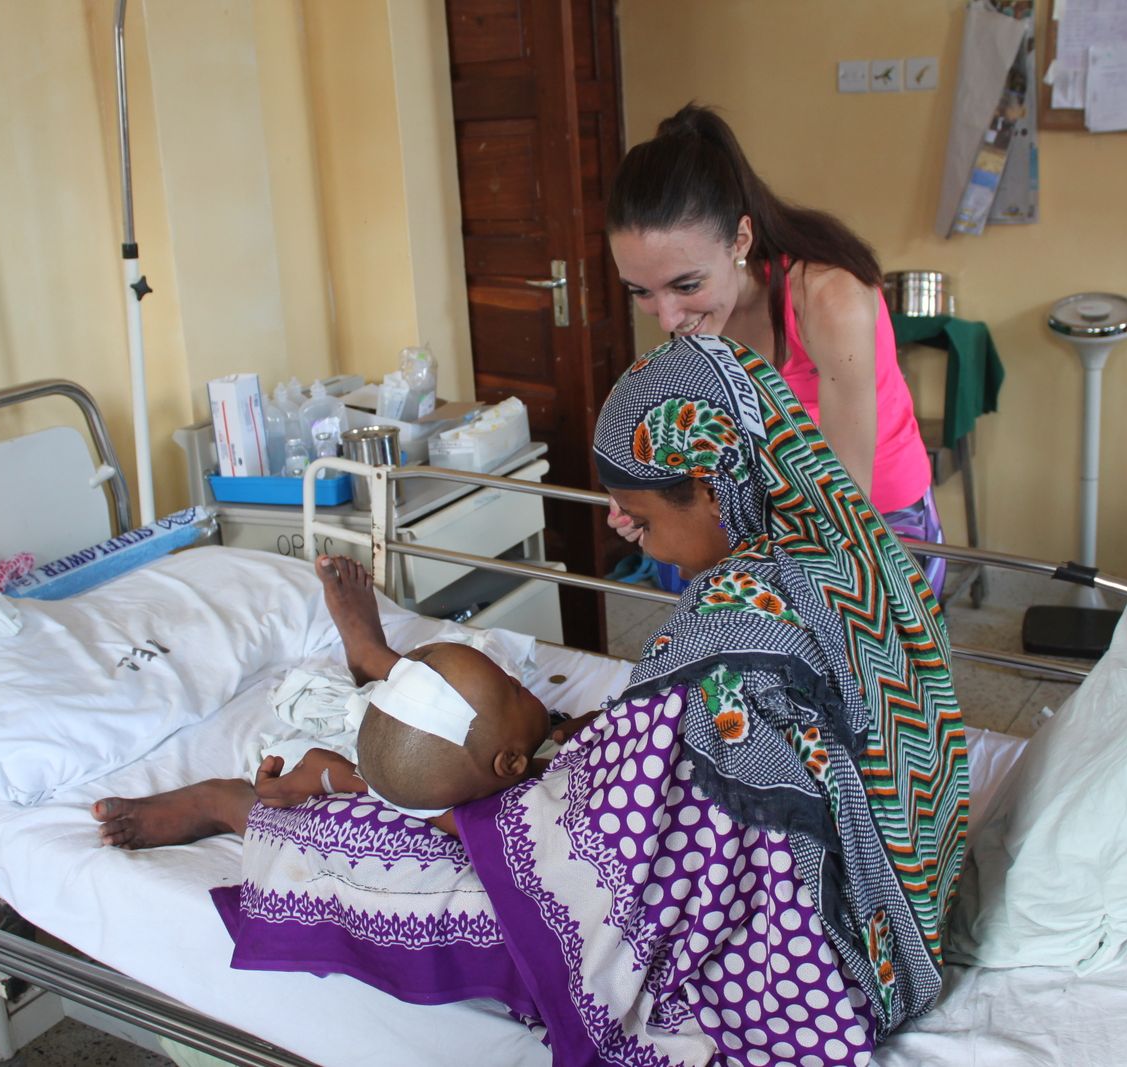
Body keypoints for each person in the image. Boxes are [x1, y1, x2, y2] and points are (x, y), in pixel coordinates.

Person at [95, 337, 967, 1065]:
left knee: (421, 880)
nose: (622, 529)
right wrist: (588, 749)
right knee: (478, 778)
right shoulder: (851, 552)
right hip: (902, 923)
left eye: (638, 516)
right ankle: (372, 679)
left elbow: (615, 844)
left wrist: (486, 809)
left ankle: (244, 806)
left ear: (710, 486)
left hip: (824, 955)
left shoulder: (729, 636)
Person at [604, 103, 946, 595]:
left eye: (686, 285)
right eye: (641, 291)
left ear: (740, 240)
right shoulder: (696, 312)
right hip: (764, 512)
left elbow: (847, 502)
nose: (667, 319)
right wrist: (648, 502)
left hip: (874, 514)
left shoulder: (830, 299)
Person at [91, 555, 552, 846]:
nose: (518, 682)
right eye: (514, 687)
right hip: (381, 788)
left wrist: (330, 775)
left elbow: (369, 786)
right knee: (312, 839)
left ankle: (377, 666)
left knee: (341, 826)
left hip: (369, 796)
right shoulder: (501, 805)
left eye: (512, 685)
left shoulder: (511, 805)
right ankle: (374, 660)